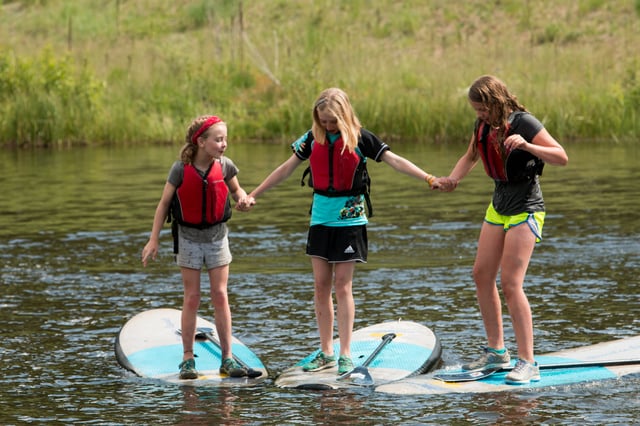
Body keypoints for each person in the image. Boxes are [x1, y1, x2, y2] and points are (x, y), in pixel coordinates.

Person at [238, 88, 438, 375]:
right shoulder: (311, 139)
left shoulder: (361, 138)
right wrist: (254, 194)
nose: (329, 127)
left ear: (344, 116)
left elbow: (395, 160)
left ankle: (344, 352)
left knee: (342, 285)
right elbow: (285, 169)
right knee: (321, 285)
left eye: (333, 121)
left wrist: (428, 177)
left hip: (350, 222)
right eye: (324, 122)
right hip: (320, 219)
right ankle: (326, 351)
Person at [433, 75, 568, 384]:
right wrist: (452, 179)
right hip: (499, 206)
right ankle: (497, 353)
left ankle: (528, 362)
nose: (478, 115)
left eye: (482, 109)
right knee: (481, 274)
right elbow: (470, 156)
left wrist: (528, 145)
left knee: (510, 284)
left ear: (495, 102)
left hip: (527, 207)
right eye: (475, 110)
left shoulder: (524, 123)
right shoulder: (482, 126)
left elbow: (561, 157)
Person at [141, 115, 251, 380]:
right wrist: (153, 239)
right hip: (188, 239)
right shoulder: (180, 169)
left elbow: (237, 191)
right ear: (201, 142)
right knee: (192, 298)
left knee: (220, 295)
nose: (224, 144)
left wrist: (244, 199)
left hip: (217, 238)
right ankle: (188, 358)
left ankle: (227, 358)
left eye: (225, 139)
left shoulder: (225, 166)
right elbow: (164, 204)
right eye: (218, 139)